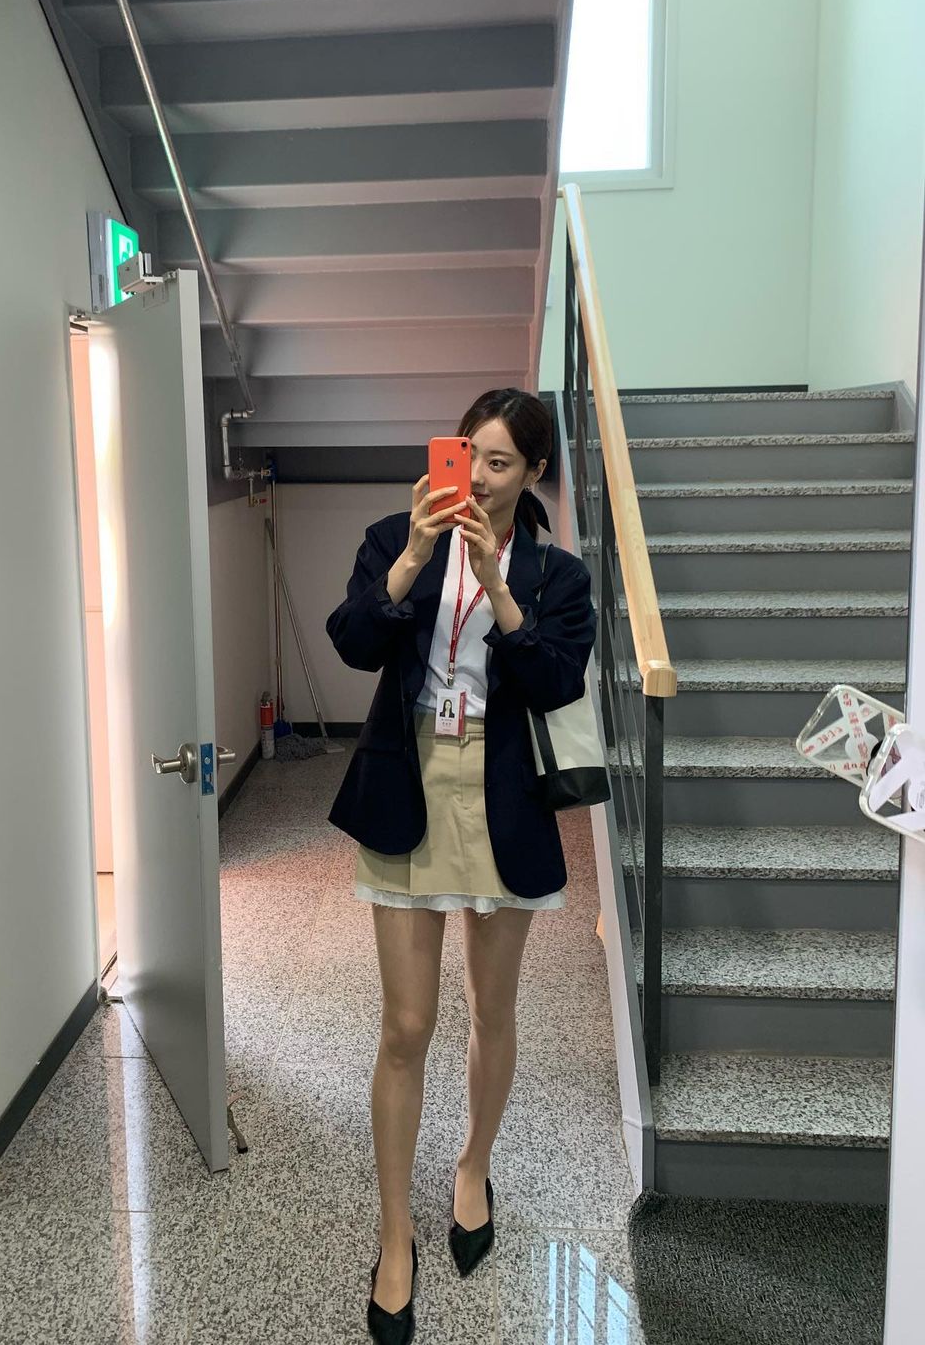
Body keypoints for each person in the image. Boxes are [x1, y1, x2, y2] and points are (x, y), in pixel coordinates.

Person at [325, 387, 597, 1344]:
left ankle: (473, 1166)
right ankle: (394, 1235)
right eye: (467, 455)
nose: (476, 479)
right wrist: (410, 560)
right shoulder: (394, 539)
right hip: (408, 782)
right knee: (406, 1025)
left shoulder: (558, 574)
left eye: (500, 463)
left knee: (492, 1011)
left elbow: (557, 678)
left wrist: (501, 590)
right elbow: (353, 641)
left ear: (535, 474)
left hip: (504, 791)